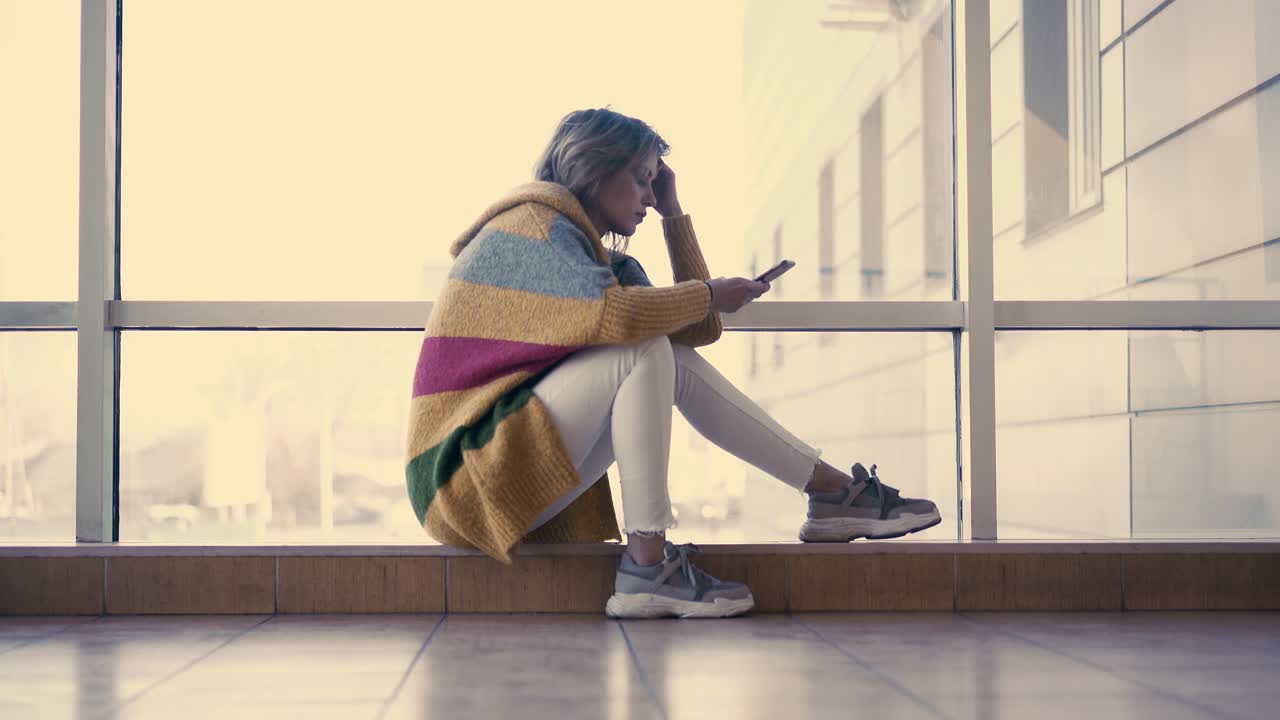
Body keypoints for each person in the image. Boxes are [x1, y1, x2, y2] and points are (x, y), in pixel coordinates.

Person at [405, 107, 941, 619]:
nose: (646, 195)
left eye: (652, 182)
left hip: (504, 470)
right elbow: (617, 319)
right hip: (459, 479)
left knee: (664, 354)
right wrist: (709, 292)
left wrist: (674, 213)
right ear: (594, 166)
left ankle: (829, 493)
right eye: (640, 179)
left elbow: (696, 332)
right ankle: (648, 566)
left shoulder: (600, 261)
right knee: (642, 349)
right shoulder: (533, 223)